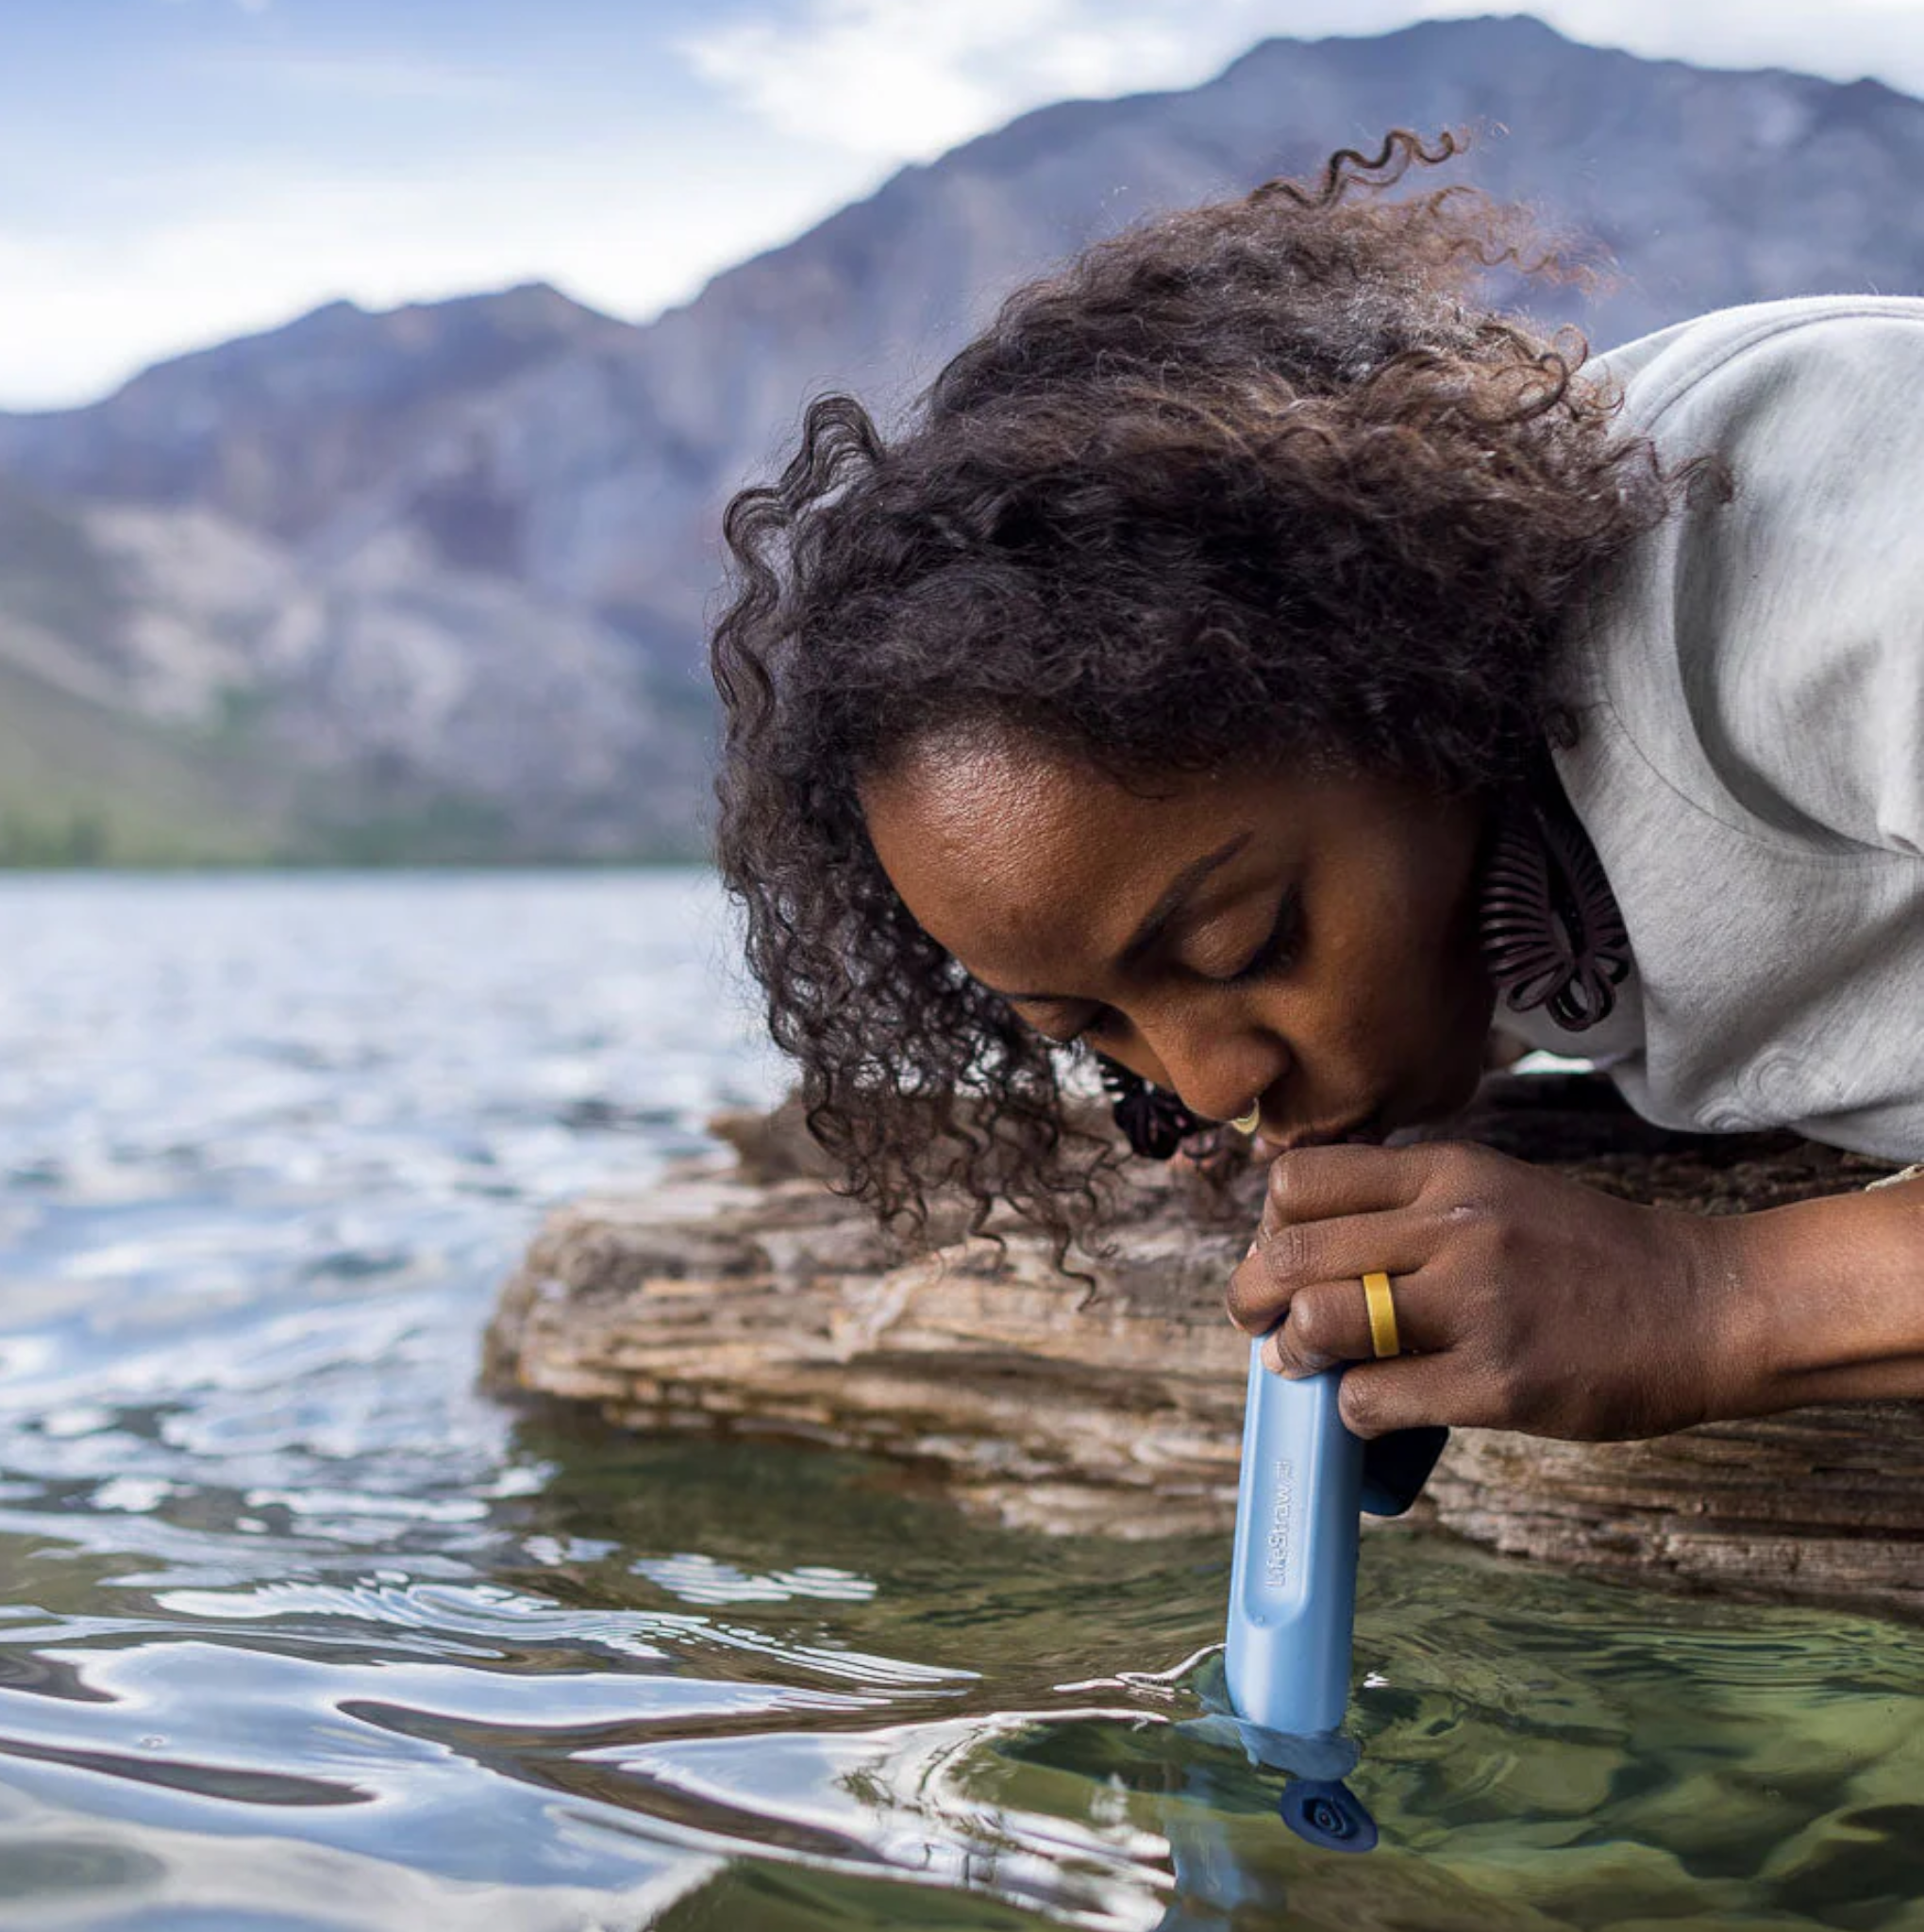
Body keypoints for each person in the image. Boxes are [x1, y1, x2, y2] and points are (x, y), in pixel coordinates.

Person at [710, 130, 1924, 1450]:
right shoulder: (1452, 850)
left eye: (1245, 943)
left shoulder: (1815, 549)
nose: (1211, 1080)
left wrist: (1724, 1301)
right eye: (1095, 1029)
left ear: (1402, 676)